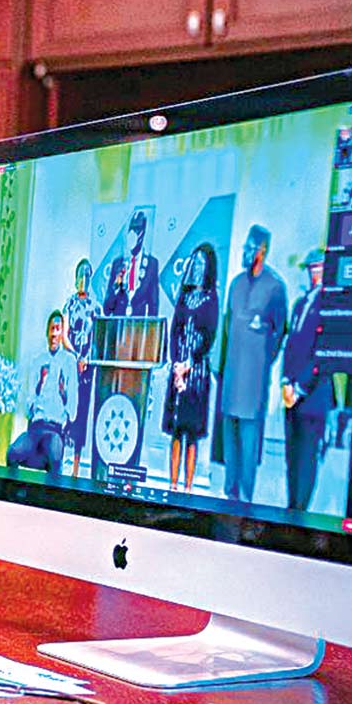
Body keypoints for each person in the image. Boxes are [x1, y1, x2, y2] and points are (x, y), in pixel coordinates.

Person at [218, 224, 288, 502]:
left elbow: (280, 331)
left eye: (251, 247)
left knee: (249, 441)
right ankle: (229, 493)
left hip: (254, 379)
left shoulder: (275, 286)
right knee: (230, 437)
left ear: (263, 250)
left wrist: (261, 359)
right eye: (245, 246)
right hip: (232, 375)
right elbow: (227, 326)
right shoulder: (236, 284)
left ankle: (246, 498)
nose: (246, 252)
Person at [161, 244, 219, 492]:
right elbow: (174, 331)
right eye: (194, 263)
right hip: (178, 373)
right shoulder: (183, 298)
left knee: (192, 433)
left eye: (201, 264)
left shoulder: (211, 299)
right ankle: (173, 485)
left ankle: (188, 487)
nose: (196, 268)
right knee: (176, 431)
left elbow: (209, 336)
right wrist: (176, 362)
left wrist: (189, 363)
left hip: (197, 374)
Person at [281, 248, 331, 511]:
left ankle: (300, 515)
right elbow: (291, 346)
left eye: (318, 267)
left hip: (313, 396)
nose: (314, 273)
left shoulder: (331, 304)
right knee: (291, 458)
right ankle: (290, 510)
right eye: (311, 268)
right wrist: (285, 382)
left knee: (306, 459)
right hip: (292, 396)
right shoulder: (300, 304)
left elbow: (322, 354)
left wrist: (300, 386)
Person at [6, 311, 79, 477]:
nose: (54, 334)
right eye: (52, 329)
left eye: (58, 329)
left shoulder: (69, 361)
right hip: (36, 429)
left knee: (54, 454)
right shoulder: (38, 361)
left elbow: (73, 408)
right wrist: (40, 384)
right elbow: (29, 405)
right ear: (47, 332)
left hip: (55, 430)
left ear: (63, 334)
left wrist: (62, 393)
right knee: (13, 453)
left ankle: (51, 492)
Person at [62, 259, 100, 476]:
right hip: (71, 362)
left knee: (82, 412)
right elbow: (65, 335)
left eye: (86, 276)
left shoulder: (96, 307)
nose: (82, 280)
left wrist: (85, 359)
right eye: (80, 276)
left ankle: (76, 468)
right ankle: (60, 461)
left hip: (87, 367)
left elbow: (97, 338)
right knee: (67, 408)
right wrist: (75, 356)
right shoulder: (69, 303)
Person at [104, 210, 160, 317]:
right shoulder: (118, 264)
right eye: (131, 229)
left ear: (143, 232)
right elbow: (107, 309)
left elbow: (153, 308)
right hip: (119, 325)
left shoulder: (151, 265)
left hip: (138, 326)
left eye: (137, 229)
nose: (133, 233)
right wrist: (116, 285)